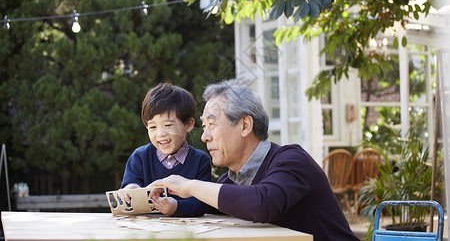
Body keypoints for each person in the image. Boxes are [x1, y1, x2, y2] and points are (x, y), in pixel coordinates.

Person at [149, 79, 359, 240]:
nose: (204, 137)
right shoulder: (231, 181)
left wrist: (190, 185)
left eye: (212, 125)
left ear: (245, 126)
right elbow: (200, 208)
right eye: (204, 128)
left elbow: (261, 203)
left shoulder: (292, 160)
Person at [118, 82, 211, 217]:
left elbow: (202, 203)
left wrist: (176, 207)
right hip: (146, 230)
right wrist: (131, 190)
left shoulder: (200, 160)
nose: (160, 133)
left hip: (188, 232)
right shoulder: (140, 157)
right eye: (153, 127)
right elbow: (129, 186)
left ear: (188, 125)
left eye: (168, 125)